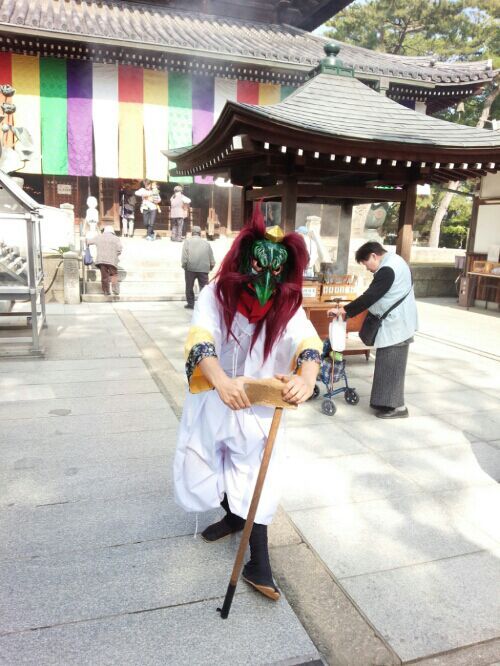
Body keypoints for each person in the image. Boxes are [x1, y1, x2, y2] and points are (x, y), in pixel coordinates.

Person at [174, 211, 322, 601]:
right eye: (258, 265)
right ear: (245, 261)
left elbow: (307, 341)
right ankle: (232, 515)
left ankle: (259, 562)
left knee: (257, 475)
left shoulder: (286, 304)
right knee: (213, 461)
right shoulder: (214, 294)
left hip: (258, 404)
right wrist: (220, 380)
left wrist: (306, 378)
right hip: (215, 395)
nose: (265, 278)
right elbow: (200, 337)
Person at [328, 241, 417, 419]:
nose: (367, 269)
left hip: (396, 325)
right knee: (387, 364)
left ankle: (397, 407)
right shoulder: (396, 262)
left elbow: (370, 296)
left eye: (365, 263)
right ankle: (384, 403)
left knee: (392, 366)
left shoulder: (387, 269)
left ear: (374, 256)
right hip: (398, 323)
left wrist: (345, 310)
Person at [181, 225, 215, 309]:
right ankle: (204, 304)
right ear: (200, 233)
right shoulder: (206, 243)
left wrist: (184, 266)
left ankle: (191, 304)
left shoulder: (187, 242)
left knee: (189, 287)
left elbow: (184, 257)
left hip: (190, 268)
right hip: (203, 269)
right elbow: (212, 259)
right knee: (204, 288)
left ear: (192, 233)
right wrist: (210, 267)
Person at [87, 224, 122, 296]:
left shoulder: (99, 237)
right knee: (114, 275)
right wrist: (115, 255)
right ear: (112, 232)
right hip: (112, 260)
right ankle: (115, 290)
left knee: (104, 276)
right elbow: (119, 250)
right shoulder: (116, 238)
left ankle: (106, 291)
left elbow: (88, 242)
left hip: (101, 260)